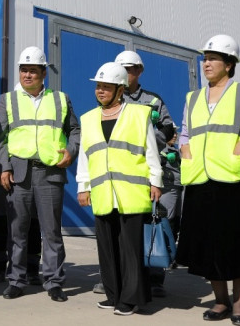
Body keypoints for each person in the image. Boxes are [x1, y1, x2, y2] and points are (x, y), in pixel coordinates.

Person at [176, 34, 240, 326]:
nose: (206, 63)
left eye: (213, 59)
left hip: (236, 180)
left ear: (229, 64)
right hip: (201, 179)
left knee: (239, 245)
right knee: (208, 244)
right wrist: (184, 148)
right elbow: (185, 131)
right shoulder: (193, 97)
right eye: (205, 59)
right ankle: (220, 300)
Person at [0, 46, 80, 302]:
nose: (27, 75)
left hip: (50, 173)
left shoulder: (60, 99)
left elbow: (75, 130)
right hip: (19, 173)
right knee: (17, 231)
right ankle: (16, 280)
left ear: (43, 73)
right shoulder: (8, 100)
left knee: (51, 232)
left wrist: (71, 151)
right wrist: (4, 167)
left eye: (33, 70)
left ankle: (54, 282)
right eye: (23, 70)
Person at [76, 62, 162, 315]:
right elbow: (85, 156)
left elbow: (150, 150)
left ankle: (130, 299)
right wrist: (83, 186)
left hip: (131, 192)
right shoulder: (88, 119)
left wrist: (156, 181)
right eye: (98, 86)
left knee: (130, 249)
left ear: (120, 90)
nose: (100, 91)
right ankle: (113, 295)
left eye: (106, 87)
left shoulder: (139, 114)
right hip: (103, 192)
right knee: (107, 247)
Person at [115, 49, 176, 298]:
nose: (125, 74)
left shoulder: (153, 100)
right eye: (122, 69)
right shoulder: (111, 98)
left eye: (129, 70)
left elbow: (168, 128)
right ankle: (121, 278)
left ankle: (155, 279)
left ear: (139, 71)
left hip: (149, 170)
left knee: (152, 222)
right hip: (121, 170)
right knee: (122, 226)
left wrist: (148, 141)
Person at [0, 189, 42, 285]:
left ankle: (32, 270)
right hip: (4, 186)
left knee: (32, 227)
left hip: (30, 186)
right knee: (1, 226)